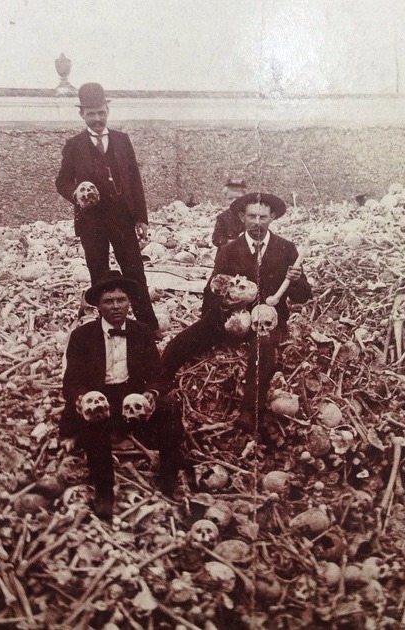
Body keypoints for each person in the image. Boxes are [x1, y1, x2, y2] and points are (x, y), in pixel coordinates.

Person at [162, 192, 312, 432]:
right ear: (242, 217)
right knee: (183, 341)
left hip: (268, 320)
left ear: (273, 217)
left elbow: (303, 296)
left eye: (262, 217)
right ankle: (158, 386)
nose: (257, 223)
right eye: (251, 216)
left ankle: (249, 412)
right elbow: (211, 291)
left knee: (263, 348)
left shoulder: (286, 249)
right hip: (231, 315)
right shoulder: (229, 250)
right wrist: (223, 306)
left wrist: (295, 281)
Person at [59, 270, 184, 519]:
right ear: (98, 306)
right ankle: (104, 491)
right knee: (95, 418)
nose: (116, 306)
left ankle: (169, 478)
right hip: (100, 395)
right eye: (109, 301)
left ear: (129, 302)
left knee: (170, 405)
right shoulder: (82, 336)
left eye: (121, 300)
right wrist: (83, 398)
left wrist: (151, 393)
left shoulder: (141, 332)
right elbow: (71, 381)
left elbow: (158, 374)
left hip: (133, 398)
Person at [55, 82, 162, 337]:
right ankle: (106, 328)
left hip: (121, 218)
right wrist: (76, 194)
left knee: (135, 271)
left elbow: (135, 180)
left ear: (107, 110)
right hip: (91, 222)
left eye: (101, 112)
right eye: (91, 113)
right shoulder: (74, 145)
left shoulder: (122, 140)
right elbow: (62, 181)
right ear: (81, 114)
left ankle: (149, 326)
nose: (97, 118)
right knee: (99, 273)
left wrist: (142, 218)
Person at [211, 178, 248, 249]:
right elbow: (216, 238)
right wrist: (230, 242)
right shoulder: (222, 218)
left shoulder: (251, 216)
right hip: (227, 251)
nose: (234, 201)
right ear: (226, 200)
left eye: (238, 198)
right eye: (230, 198)